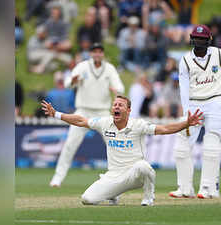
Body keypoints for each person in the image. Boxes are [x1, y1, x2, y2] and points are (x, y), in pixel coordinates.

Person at [41, 95, 204, 206]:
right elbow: (81, 120)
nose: (116, 107)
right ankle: (113, 193)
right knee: (87, 199)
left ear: (128, 110)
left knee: (143, 166)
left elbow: (164, 128)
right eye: (115, 105)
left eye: (120, 105)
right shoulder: (104, 122)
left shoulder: (138, 125)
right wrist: (56, 114)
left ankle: (148, 197)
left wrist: (186, 124)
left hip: (135, 175)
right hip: (113, 175)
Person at [169, 25, 221, 199]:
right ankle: (185, 188)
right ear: (192, 39)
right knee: (182, 145)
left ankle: (207, 188)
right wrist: (187, 111)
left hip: (216, 101)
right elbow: (184, 88)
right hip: (194, 104)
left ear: (209, 39)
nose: (200, 42)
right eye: (197, 38)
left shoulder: (219, 54)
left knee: (211, 144)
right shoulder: (185, 60)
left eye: (203, 39)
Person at [49, 43, 125, 187]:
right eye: (94, 51)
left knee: (114, 145)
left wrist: (117, 90)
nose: (97, 54)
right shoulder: (82, 66)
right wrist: (73, 81)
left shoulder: (109, 69)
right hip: (83, 111)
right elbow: (67, 83)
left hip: (102, 112)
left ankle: (120, 177)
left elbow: (119, 86)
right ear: (91, 53)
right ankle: (57, 178)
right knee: (70, 144)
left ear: (103, 54)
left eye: (100, 52)